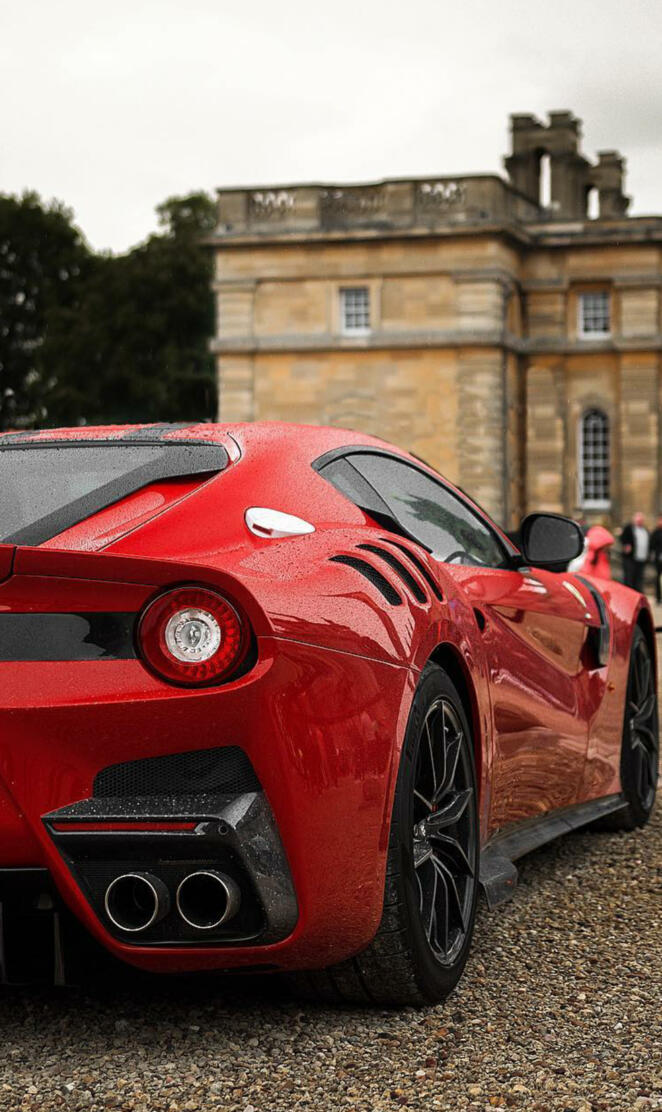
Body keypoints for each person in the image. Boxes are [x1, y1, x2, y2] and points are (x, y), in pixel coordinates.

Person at [620, 512, 649, 591]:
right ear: (634, 519)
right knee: (629, 578)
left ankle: (638, 594)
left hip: (641, 558)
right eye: (638, 519)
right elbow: (623, 538)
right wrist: (626, 545)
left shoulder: (645, 530)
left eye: (641, 520)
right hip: (631, 558)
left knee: (639, 579)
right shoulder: (629, 528)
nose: (640, 521)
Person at [649, 513, 662, 603]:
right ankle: (658, 597)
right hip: (658, 558)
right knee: (657, 577)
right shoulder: (655, 532)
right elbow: (651, 545)